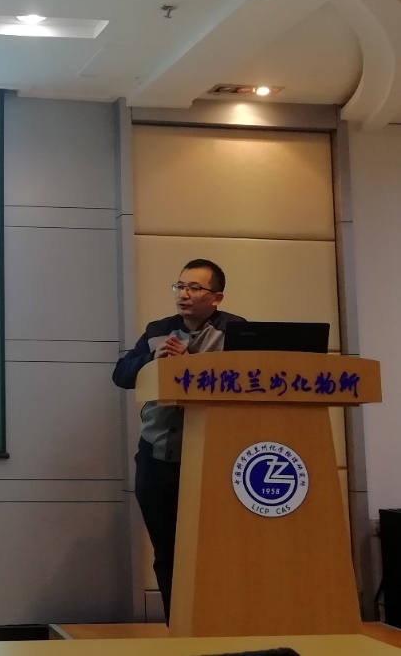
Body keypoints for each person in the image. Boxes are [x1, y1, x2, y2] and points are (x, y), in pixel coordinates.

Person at [112, 258, 245, 624]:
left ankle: (219, 622)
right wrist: (153, 357)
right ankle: (178, 626)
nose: (184, 294)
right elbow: (121, 375)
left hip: (213, 459)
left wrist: (192, 363)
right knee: (168, 550)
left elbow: (244, 382)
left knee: (215, 548)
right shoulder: (159, 330)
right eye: (180, 286)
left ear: (216, 297)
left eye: (194, 288)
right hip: (157, 457)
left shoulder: (236, 331)